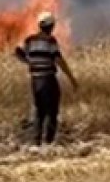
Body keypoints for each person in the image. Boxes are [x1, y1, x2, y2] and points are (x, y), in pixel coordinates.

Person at [13, 12, 79, 147]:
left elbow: (17, 52)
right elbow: (59, 60)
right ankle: (48, 141)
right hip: (48, 79)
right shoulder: (50, 41)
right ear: (51, 26)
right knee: (51, 110)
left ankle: (36, 142)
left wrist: (30, 62)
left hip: (35, 81)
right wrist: (71, 78)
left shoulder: (29, 40)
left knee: (38, 111)